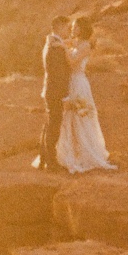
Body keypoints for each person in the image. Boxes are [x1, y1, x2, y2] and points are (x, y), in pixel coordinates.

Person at [56, 15, 117, 173]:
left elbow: (72, 63)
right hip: (71, 83)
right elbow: (62, 41)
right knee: (69, 116)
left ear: (82, 28)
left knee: (81, 116)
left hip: (79, 83)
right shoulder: (76, 42)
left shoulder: (86, 46)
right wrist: (60, 42)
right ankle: (73, 151)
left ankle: (86, 153)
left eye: (76, 26)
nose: (72, 29)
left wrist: (63, 48)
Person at [34, 15, 72, 171]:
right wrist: (65, 93)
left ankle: (44, 158)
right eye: (66, 27)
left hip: (50, 90)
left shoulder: (54, 42)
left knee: (49, 124)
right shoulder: (54, 45)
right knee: (54, 126)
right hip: (55, 91)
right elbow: (58, 72)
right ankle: (51, 162)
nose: (68, 30)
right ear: (59, 26)